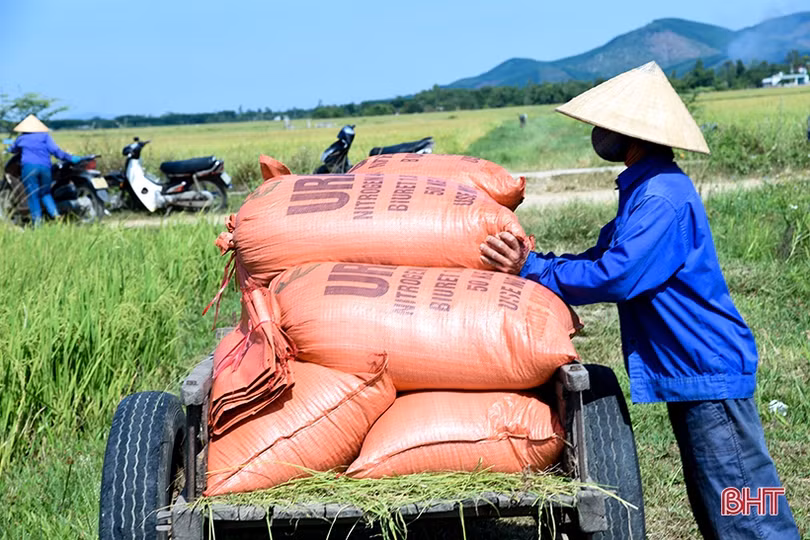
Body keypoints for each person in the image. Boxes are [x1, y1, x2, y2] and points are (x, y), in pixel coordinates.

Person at [480, 61, 799, 540]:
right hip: (695, 368)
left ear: (629, 132)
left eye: (603, 124)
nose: (596, 132)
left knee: (746, 508)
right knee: (724, 503)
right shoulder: (646, 189)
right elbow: (603, 256)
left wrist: (534, 270)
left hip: (707, 368)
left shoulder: (660, 198)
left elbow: (617, 275)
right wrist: (536, 262)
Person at [7, 114, 82, 225]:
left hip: (29, 169)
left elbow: (12, 149)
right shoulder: (45, 136)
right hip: (46, 168)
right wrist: (71, 158)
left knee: (33, 195)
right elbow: (56, 151)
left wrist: (8, 147)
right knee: (45, 193)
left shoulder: (21, 138)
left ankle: (37, 223)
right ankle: (56, 215)